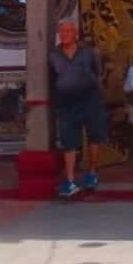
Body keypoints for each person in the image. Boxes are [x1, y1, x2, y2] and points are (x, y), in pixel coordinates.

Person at [48, 22, 108, 198]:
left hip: (90, 100)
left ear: (76, 34)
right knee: (69, 141)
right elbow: (52, 79)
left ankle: (91, 172)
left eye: (68, 31)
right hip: (66, 103)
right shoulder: (54, 56)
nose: (64, 34)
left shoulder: (89, 53)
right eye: (62, 31)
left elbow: (98, 73)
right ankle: (70, 180)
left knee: (94, 137)